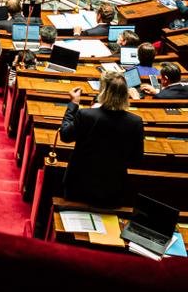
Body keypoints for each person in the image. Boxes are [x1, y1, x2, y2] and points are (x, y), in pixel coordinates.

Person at [59, 71, 144, 207]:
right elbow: (136, 159)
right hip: (112, 190)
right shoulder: (135, 122)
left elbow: (65, 135)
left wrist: (73, 104)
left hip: (79, 185)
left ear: (103, 92)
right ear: (125, 94)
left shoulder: (86, 115)